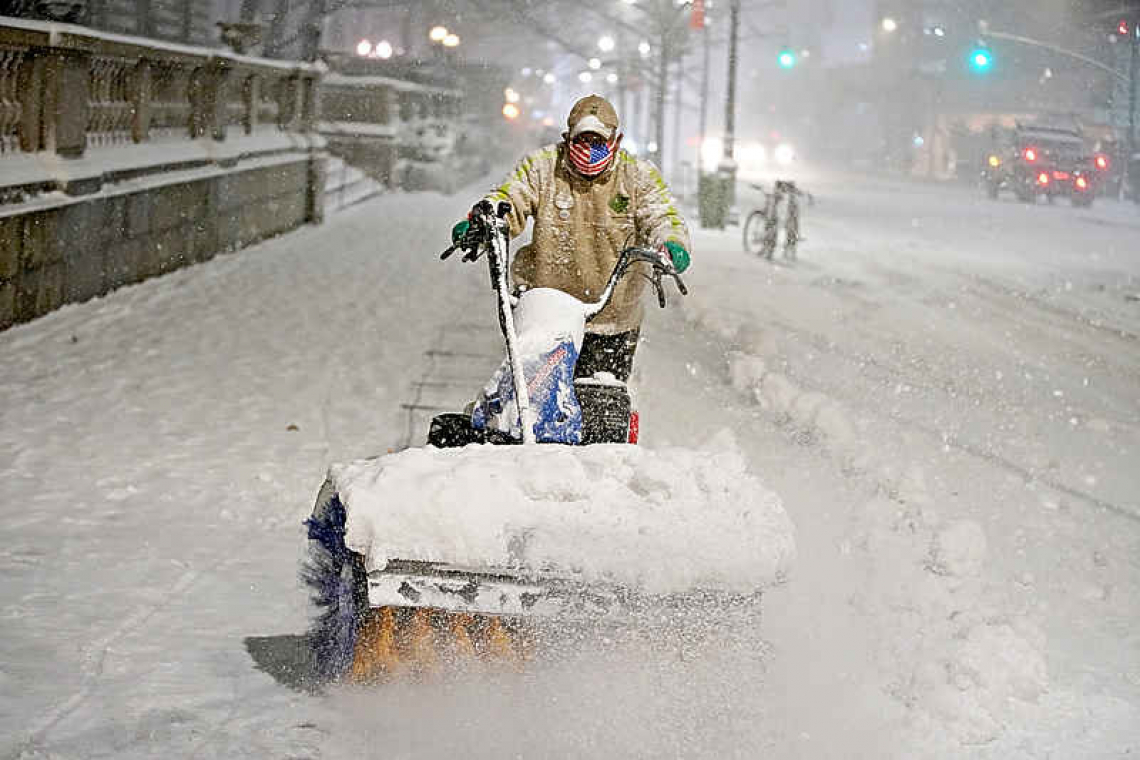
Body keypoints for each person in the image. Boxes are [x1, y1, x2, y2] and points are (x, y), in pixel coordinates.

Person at [452, 94, 691, 382]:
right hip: (546, 315)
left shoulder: (637, 176)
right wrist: (484, 223)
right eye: (582, 141)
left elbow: (663, 215)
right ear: (568, 138)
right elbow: (509, 198)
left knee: (603, 409)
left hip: (612, 319)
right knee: (533, 400)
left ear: (616, 140)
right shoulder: (542, 167)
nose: (589, 151)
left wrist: (671, 243)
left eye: (598, 142)